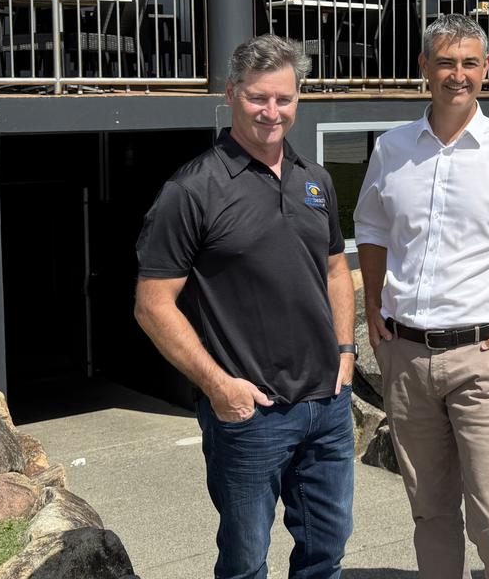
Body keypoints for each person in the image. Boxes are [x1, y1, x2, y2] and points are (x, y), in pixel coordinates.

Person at [354, 14, 489, 579]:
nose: (459, 75)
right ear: (424, 67)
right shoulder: (391, 148)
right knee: (430, 513)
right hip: (406, 358)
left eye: (470, 63)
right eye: (446, 62)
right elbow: (373, 232)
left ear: (486, 69)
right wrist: (376, 309)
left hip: (485, 358)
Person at [134, 34, 357, 579]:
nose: (271, 111)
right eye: (258, 97)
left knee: (327, 552)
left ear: (298, 98)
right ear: (231, 93)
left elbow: (335, 270)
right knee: (245, 562)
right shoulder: (192, 190)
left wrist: (346, 355)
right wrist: (219, 387)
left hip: (326, 407)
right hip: (249, 414)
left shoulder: (315, 181)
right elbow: (152, 305)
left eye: (283, 98)